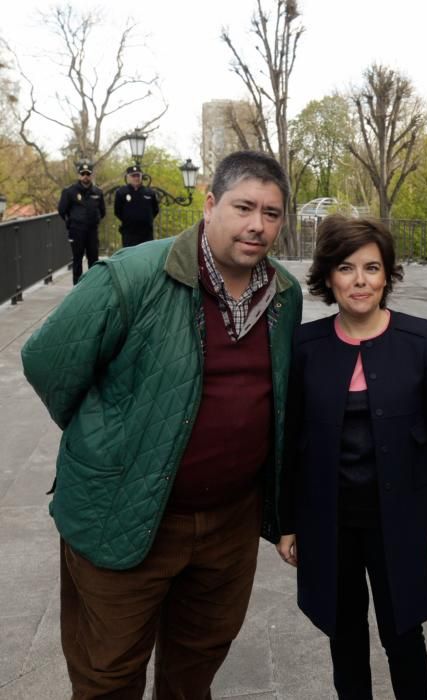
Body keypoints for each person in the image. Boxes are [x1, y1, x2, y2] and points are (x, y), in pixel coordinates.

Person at [21, 150, 302, 698]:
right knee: (108, 675)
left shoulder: (284, 295)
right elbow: (47, 362)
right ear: (210, 203)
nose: (257, 225)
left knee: (194, 672)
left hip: (229, 526)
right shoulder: (131, 276)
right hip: (125, 515)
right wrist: (111, 440)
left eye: (271, 213)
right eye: (244, 207)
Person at [277, 215, 427, 699]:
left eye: (372, 268)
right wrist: (286, 522)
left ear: (387, 275)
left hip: (399, 518)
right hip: (329, 522)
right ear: (328, 278)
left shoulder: (420, 339)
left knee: (404, 634)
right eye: (346, 268)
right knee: (345, 636)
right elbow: (288, 441)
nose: (360, 281)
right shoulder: (305, 346)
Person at [57, 161, 105, 284]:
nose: (85, 176)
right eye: (83, 174)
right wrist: (71, 222)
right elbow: (62, 210)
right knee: (77, 260)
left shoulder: (97, 192)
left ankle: (93, 286)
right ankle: (77, 289)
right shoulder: (69, 192)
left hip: (92, 231)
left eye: (88, 174)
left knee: (93, 260)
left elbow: (102, 211)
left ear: (91, 175)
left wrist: (96, 220)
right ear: (79, 175)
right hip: (76, 231)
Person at [114, 164, 160, 247]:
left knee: (146, 256)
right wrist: (129, 219)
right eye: (133, 176)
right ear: (128, 177)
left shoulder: (149, 192)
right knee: (130, 256)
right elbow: (117, 211)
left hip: (146, 232)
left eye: (138, 175)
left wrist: (145, 219)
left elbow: (155, 210)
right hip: (129, 232)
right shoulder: (121, 192)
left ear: (141, 176)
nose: (136, 178)